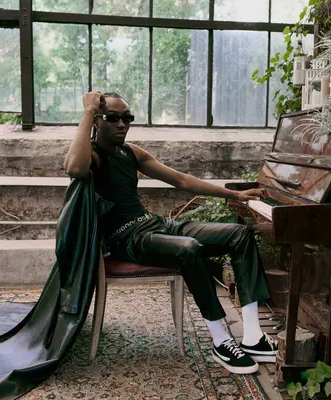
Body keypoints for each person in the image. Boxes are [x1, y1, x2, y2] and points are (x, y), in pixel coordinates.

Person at [64, 90, 278, 374]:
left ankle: (252, 337)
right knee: (188, 248)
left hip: (156, 225)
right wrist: (88, 111)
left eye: (127, 118)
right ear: (97, 122)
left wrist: (234, 195)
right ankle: (220, 339)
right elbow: (75, 167)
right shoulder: (92, 154)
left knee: (240, 234)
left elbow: (180, 179)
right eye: (113, 118)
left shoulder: (131, 153)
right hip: (128, 239)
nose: (122, 124)